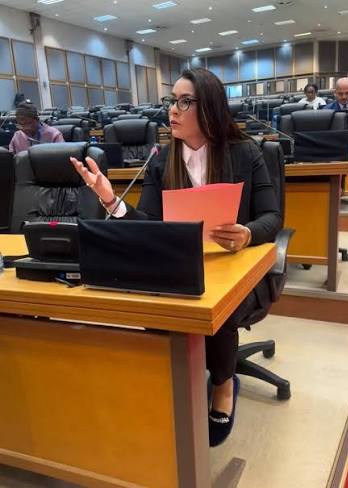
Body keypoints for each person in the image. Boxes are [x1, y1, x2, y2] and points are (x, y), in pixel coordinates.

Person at [70, 68, 281, 447]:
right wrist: (110, 199)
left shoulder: (245, 151)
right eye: (172, 101)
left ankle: (222, 382)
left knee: (216, 305)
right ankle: (171, 383)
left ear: (210, 107)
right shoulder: (162, 159)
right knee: (153, 301)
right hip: (181, 264)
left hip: (239, 268)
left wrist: (248, 233)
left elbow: (272, 216)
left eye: (185, 102)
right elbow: (148, 225)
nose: (173, 109)